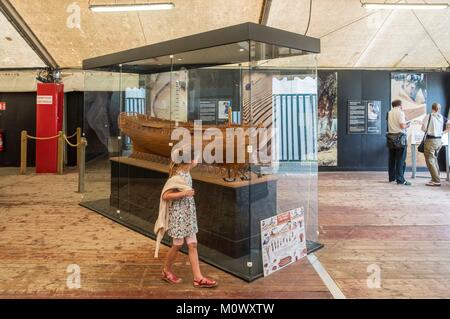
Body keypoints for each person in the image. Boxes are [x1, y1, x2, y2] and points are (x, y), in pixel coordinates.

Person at [154, 150, 218, 288]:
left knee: (193, 244)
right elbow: (165, 196)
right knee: (177, 244)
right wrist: (184, 193)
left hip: (188, 214)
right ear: (188, 161)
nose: (196, 161)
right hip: (178, 215)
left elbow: (196, 160)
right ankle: (166, 271)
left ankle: (198, 278)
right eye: (194, 159)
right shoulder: (176, 177)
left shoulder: (187, 168)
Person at [421, 103, 450, 187]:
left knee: (429, 160)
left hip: (430, 140)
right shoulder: (441, 117)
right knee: (434, 159)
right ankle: (435, 178)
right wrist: (442, 132)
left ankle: (436, 180)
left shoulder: (429, 116)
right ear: (439, 109)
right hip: (439, 141)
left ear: (432, 108)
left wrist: (427, 129)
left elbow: (423, 129)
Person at [387, 99, 411, 185]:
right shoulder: (400, 113)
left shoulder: (389, 112)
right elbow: (402, 125)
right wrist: (408, 125)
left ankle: (392, 177)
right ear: (400, 105)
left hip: (391, 138)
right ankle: (400, 179)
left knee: (392, 159)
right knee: (401, 159)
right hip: (400, 138)